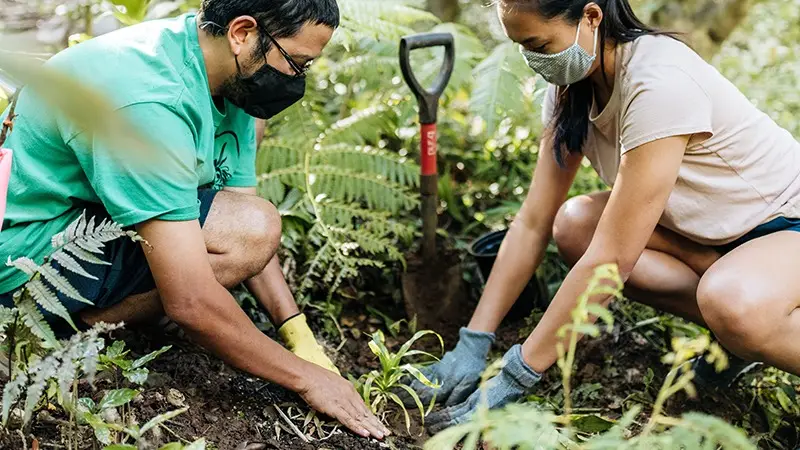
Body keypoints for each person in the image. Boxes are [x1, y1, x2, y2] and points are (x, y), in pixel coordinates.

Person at [0, 0, 390, 440]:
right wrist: (306, 377)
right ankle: (83, 328)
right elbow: (192, 301)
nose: (296, 79)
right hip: (25, 262)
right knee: (212, 272)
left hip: (89, 224)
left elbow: (243, 221)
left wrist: (297, 332)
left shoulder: (230, 75)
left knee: (252, 225)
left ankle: (115, 311)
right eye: (296, 63)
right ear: (242, 33)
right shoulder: (149, 99)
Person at [411, 0, 800, 432]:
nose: (535, 61)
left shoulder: (659, 84)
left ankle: (744, 325)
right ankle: (736, 337)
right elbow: (533, 221)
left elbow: (612, 260)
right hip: (718, 240)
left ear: (592, 17)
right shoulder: (571, 85)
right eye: (523, 48)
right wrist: (474, 341)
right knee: (575, 225)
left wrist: (514, 377)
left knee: (733, 303)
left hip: (785, 224)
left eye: (539, 44)